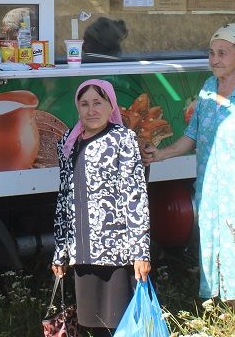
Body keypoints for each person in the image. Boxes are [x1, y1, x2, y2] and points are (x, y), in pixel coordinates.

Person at [144, 23, 235, 302]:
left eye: (222, 53)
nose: (214, 60)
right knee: (222, 253)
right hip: (215, 195)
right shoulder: (208, 89)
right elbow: (192, 137)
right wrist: (160, 155)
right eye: (211, 53)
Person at [52, 79, 150, 337]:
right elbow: (64, 198)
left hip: (117, 254)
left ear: (111, 106)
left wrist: (141, 251)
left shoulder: (122, 139)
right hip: (83, 253)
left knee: (118, 325)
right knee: (89, 325)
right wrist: (60, 252)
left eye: (98, 102)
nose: (91, 110)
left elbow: (135, 196)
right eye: (84, 104)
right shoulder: (68, 143)